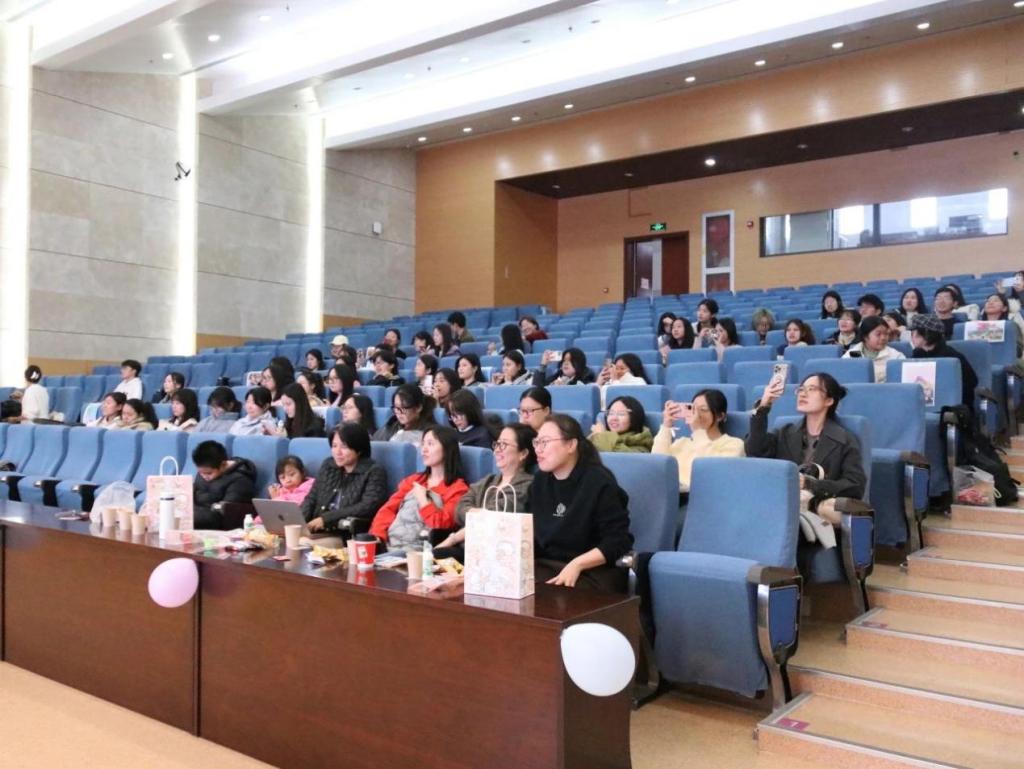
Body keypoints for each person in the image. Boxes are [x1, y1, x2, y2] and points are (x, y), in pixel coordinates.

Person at [746, 372, 867, 527]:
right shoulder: (785, 432)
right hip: (782, 505)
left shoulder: (844, 440)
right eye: (801, 389)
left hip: (819, 512)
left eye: (812, 389)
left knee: (842, 510)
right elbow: (754, 451)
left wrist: (810, 484)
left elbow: (855, 486)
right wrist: (763, 406)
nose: (803, 394)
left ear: (829, 400)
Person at [531, 414, 634, 592]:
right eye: (536, 442)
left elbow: (618, 541)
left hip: (592, 571)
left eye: (545, 442)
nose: (538, 449)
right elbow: (530, 532)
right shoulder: (539, 481)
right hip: (548, 566)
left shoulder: (599, 482)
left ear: (571, 445)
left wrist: (577, 564)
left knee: (551, 595)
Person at [435, 423, 537, 558]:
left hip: (492, 551)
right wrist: (482, 514)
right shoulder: (489, 480)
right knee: (434, 537)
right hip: (471, 544)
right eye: (497, 444)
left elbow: (494, 518)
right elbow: (459, 509)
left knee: (437, 554)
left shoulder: (526, 484)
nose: (497, 450)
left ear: (523, 453)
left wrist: (452, 539)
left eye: (504, 445)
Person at [370, 425, 469, 551]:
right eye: (423, 444)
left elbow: (441, 524)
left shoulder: (458, 489)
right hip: (390, 544)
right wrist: (378, 536)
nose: (424, 449)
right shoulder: (414, 480)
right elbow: (388, 510)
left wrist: (423, 500)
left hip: (420, 550)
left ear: (447, 449)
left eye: (430, 444)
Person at [301, 423, 389, 534]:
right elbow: (312, 498)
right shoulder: (328, 465)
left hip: (345, 533)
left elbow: (367, 507)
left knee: (300, 542)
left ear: (359, 448)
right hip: (316, 530)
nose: (338, 452)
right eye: (334, 446)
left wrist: (326, 519)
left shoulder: (374, 471)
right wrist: (299, 521)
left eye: (344, 447)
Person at [653, 390, 745, 491]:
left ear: (720, 416)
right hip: (672, 494)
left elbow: (713, 470)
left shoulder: (734, 444)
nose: (696, 414)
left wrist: (697, 431)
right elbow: (657, 464)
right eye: (692, 408)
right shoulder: (682, 442)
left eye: (703, 410)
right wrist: (666, 425)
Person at [909, 314, 979, 411]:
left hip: (951, 406)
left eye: (915, 334)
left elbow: (972, 382)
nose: (912, 337)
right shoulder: (917, 354)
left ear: (927, 335)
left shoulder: (951, 356)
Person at [192, 440, 257, 530]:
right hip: (200, 513)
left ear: (223, 464)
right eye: (200, 472)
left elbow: (227, 512)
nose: (204, 476)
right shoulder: (205, 470)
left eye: (209, 473)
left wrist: (191, 514)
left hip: (218, 520)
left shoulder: (240, 481)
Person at [844, 315, 905, 381]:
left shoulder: (896, 356)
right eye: (878, 334)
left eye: (886, 334)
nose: (883, 338)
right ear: (865, 336)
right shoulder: (851, 354)